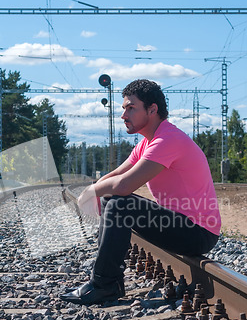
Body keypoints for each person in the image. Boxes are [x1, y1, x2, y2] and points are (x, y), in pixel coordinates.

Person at [60, 79, 221, 306]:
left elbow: (124, 185)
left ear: (152, 109)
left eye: (130, 108)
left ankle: (104, 285)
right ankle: (108, 281)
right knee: (110, 199)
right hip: (180, 223)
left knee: (119, 203)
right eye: (124, 108)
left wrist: (91, 191)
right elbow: (115, 175)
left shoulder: (168, 140)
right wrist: (96, 192)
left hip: (198, 232)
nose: (124, 115)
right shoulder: (147, 143)